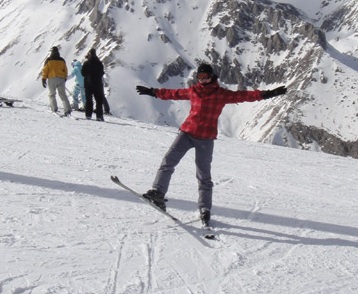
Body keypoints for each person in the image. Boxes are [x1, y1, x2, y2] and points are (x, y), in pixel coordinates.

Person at [136, 63, 286, 227]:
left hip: (205, 139)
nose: (204, 80)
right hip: (186, 133)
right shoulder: (193, 91)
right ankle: (158, 192)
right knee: (168, 161)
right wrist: (152, 92)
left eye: (206, 76)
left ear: (212, 76)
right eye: (200, 77)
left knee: (204, 176)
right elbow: (173, 93)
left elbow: (245, 95)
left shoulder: (221, 94)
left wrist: (268, 94)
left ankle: (205, 209)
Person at [41, 46, 72, 116]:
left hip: (52, 78)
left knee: (52, 94)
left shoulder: (49, 60)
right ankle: (67, 110)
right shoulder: (62, 60)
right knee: (63, 95)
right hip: (61, 79)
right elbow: (65, 70)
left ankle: (54, 108)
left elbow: (45, 70)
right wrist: (64, 78)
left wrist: (44, 79)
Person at [81, 49, 106, 121]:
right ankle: (99, 116)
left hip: (88, 84)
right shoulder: (99, 63)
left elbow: (83, 73)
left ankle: (88, 115)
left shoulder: (86, 63)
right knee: (98, 100)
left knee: (89, 100)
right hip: (98, 84)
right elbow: (102, 73)